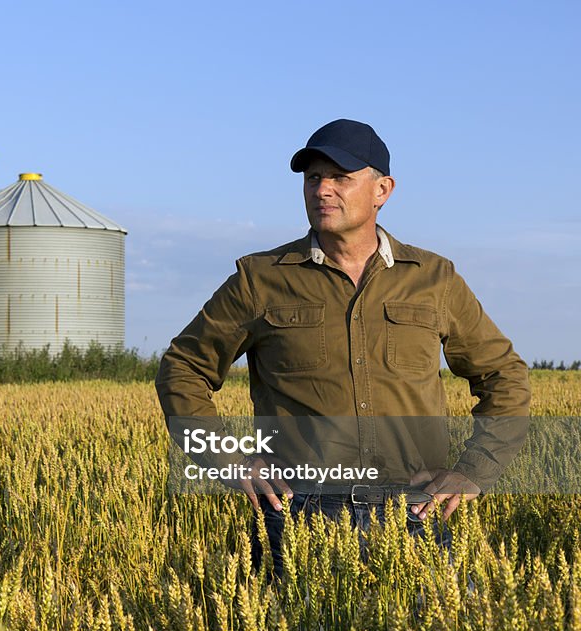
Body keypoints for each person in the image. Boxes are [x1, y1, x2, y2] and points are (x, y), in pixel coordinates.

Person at [155, 119, 531, 578]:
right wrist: (228, 461)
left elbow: (504, 375)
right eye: (313, 178)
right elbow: (182, 368)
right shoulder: (261, 279)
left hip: (414, 513)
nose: (322, 190)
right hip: (298, 513)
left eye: (340, 178)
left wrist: (474, 470)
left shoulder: (434, 279)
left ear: (382, 190)